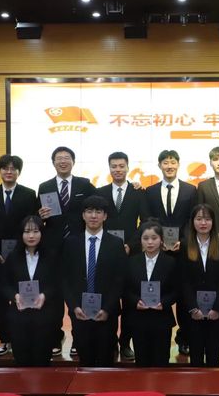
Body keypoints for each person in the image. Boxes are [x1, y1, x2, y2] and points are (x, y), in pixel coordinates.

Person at [37, 146, 96, 357]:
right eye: (59, 158)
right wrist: (40, 215)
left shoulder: (84, 184)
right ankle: (55, 336)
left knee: (77, 293)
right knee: (53, 296)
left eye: (67, 158)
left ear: (73, 161)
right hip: (52, 249)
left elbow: (98, 204)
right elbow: (37, 217)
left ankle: (78, 338)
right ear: (53, 162)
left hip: (78, 248)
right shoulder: (44, 186)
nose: (63, 161)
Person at [0, 154, 37, 357]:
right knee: (0, 297)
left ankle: (24, 335)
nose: (9, 172)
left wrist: (19, 250)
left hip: (21, 253)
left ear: (19, 172)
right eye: (5, 168)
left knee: (22, 293)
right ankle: (5, 338)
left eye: (13, 168)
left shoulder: (29, 194)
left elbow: (31, 224)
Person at [62, 195, 127, 367]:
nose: (93, 216)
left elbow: (119, 280)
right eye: (89, 211)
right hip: (80, 313)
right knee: (85, 361)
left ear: (105, 216)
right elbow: (65, 278)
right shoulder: (70, 243)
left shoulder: (116, 243)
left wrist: (107, 308)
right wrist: (74, 306)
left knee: (106, 361)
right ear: (83, 215)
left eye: (98, 212)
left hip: (106, 314)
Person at [97, 151, 149, 360]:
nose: (117, 169)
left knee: (129, 302)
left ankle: (125, 342)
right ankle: (109, 340)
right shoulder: (100, 192)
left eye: (121, 166)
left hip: (131, 254)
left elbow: (145, 222)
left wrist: (130, 245)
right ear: (109, 168)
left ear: (128, 167)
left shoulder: (139, 192)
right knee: (108, 298)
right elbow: (95, 221)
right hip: (106, 253)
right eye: (114, 166)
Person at [145, 149, 197, 355]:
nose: (169, 166)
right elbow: (149, 219)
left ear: (178, 164)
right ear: (159, 165)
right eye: (165, 162)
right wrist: (157, 241)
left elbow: (191, 220)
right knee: (160, 292)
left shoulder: (191, 190)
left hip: (182, 250)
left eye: (173, 162)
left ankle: (184, 337)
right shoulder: (150, 191)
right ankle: (158, 336)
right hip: (158, 252)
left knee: (184, 295)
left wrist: (183, 241)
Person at [2, 215, 58, 366]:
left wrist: (45, 295)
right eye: (27, 232)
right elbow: (4, 284)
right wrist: (14, 296)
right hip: (19, 317)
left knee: (42, 360)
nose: (31, 236)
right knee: (22, 360)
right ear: (21, 234)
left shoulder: (51, 256)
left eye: (35, 231)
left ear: (42, 233)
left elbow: (57, 283)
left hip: (44, 316)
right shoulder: (13, 257)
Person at [180, 203, 219, 366]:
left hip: (216, 314)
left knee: (214, 359)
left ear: (213, 222)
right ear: (192, 221)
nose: (203, 223)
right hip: (194, 314)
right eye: (199, 219)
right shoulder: (185, 245)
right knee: (196, 359)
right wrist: (193, 308)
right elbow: (184, 280)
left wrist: (218, 308)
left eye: (207, 219)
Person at [123, 221, 178, 367]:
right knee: (142, 362)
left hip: (162, 319)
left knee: (161, 361)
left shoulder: (170, 262)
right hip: (138, 319)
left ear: (161, 240)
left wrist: (164, 302)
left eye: (154, 238)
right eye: (145, 238)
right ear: (140, 240)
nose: (150, 242)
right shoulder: (131, 262)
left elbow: (176, 290)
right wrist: (136, 301)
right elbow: (125, 289)